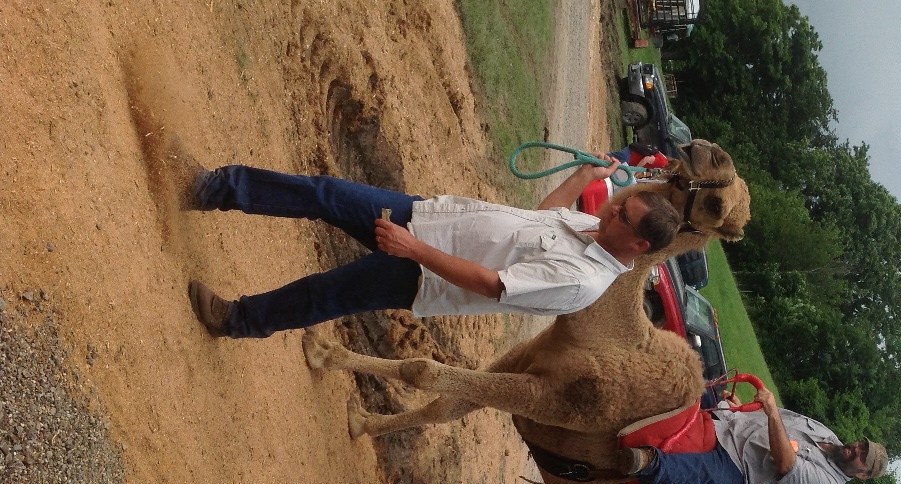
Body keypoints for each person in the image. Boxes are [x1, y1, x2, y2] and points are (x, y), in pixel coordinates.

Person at [185, 161, 682, 338]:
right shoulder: (592, 225)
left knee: (327, 294)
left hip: (421, 271)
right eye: (621, 204)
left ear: (638, 245)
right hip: (423, 219)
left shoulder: (583, 281)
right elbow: (540, 217)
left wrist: (413, 251)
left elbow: (493, 286)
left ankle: (237, 320)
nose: (613, 209)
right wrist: (581, 179)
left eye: (624, 216)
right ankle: (214, 189)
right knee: (325, 194)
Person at [620, 384, 888, 484]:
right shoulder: (827, 433)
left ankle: (647, 462)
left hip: (742, 474)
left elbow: (786, 465)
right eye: (861, 445)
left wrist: (771, 412)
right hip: (731, 426)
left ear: (862, 475)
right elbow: (779, 420)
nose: (856, 449)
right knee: (694, 380)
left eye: (862, 457)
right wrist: (737, 409)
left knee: (703, 471)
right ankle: (630, 391)